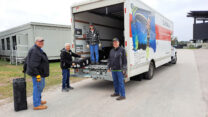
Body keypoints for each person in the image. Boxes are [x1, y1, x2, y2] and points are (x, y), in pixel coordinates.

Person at [26, 37, 49, 110]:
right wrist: (37, 75)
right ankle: (36, 104)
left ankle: (38, 100)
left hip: (40, 72)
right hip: (37, 73)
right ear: (36, 42)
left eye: (42, 41)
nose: (41, 43)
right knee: (38, 87)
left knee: (40, 87)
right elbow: (33, 65)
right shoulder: (35, 50)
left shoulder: (37, 49)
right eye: (39, 41)